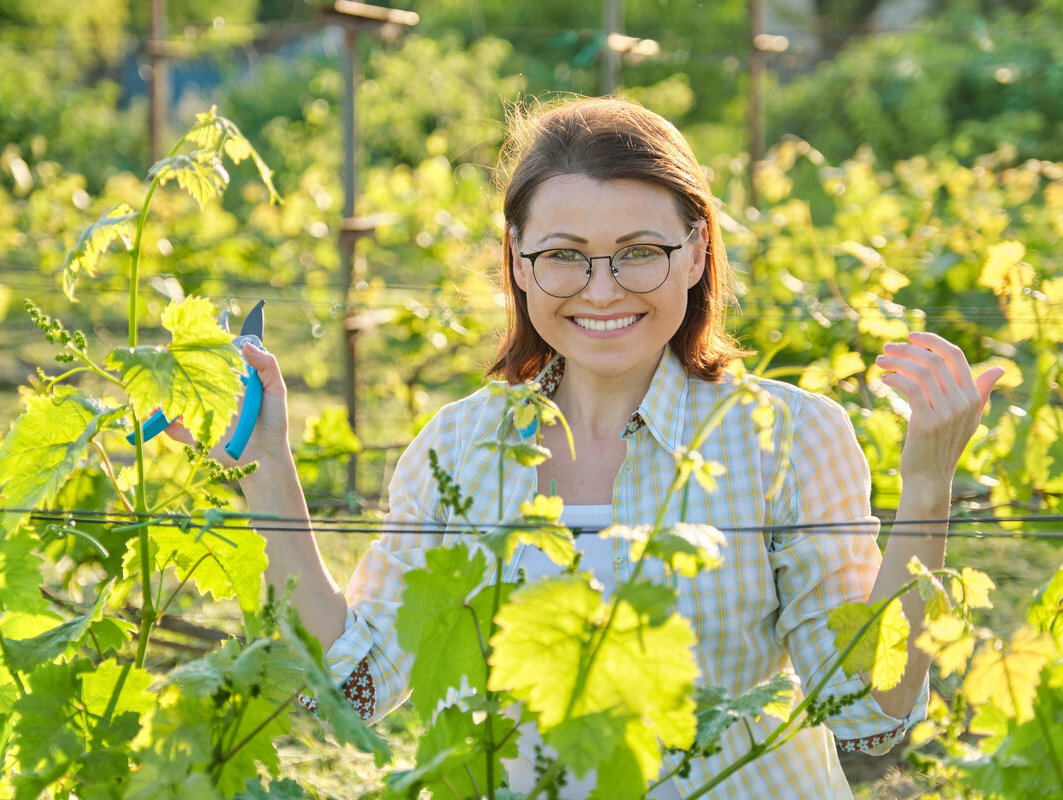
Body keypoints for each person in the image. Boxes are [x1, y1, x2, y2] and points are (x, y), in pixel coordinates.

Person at [170, 96, 1002, 798]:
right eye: (564, 257)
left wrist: (927, 491)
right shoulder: (459, 446)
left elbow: (862, 711)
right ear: (520, 266)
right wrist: (265, 470)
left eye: (640, 253)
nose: (603, 291)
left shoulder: (788, 435)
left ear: (698, 251)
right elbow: (353, 685)